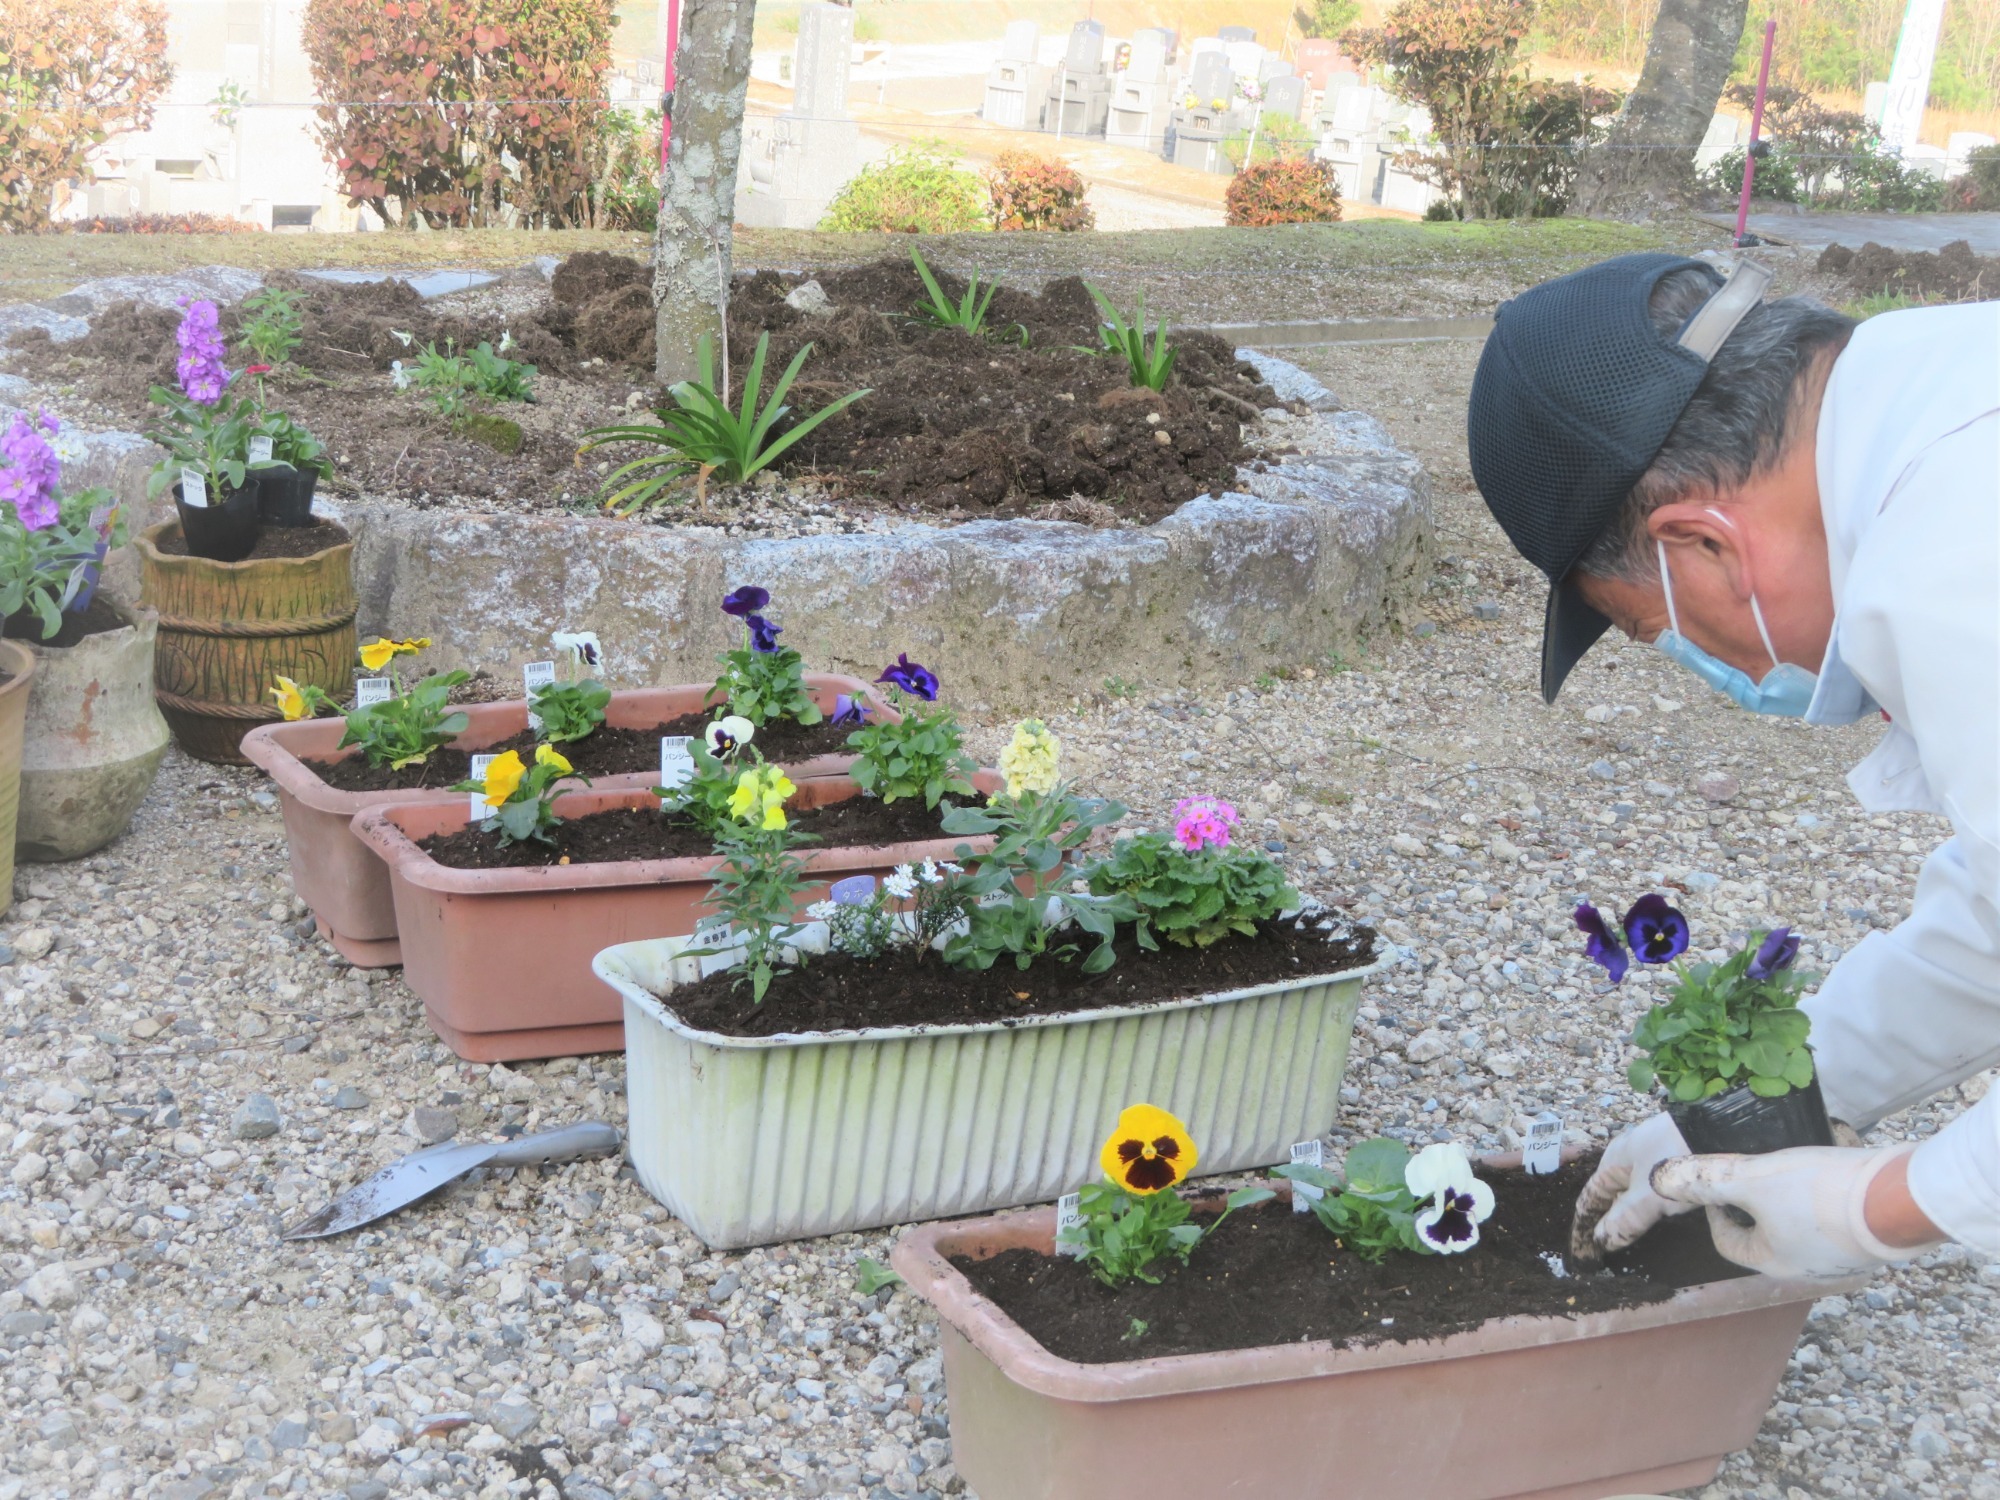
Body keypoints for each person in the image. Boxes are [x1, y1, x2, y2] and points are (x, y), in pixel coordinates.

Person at [1464, 252, 1998, 1278]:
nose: (1701, 663)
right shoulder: (1935, 395)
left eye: (1643, 623)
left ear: (1702, 541)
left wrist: (1878, 1207)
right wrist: (1781, 1092)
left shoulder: (1948, 566)